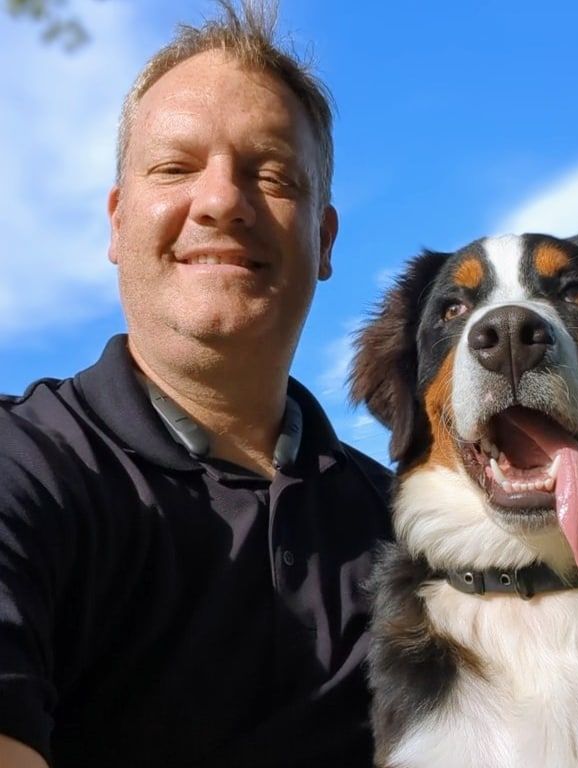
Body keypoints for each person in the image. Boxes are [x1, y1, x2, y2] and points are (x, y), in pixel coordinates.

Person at [0, 2, 392, 766]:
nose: (220, 201)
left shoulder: (407, 530)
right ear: (116, 224)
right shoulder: (23, 470)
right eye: (175, 168)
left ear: (324, 239)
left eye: (271, 173)